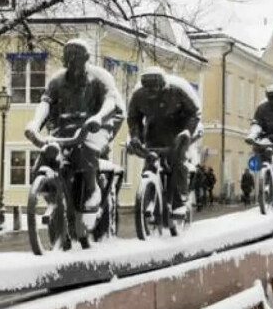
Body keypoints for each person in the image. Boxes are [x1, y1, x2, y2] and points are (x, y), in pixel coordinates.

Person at [24, 38, 124, 212]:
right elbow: (45, 103)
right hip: (64, 130)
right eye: (69, 59)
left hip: (94, 127)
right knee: (48, 151)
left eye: (77, 59)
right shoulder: (57, 81)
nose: (73, 64)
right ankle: (47, 188)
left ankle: (92, 190)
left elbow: (110, 102)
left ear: (86, 59)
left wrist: (98, 118)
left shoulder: (100, 78)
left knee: (86, 148)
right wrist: (35, 123)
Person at [125, 67, 200, 216]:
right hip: (153, 134)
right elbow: (133, 117)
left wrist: (186, 132)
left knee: (177, 161)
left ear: (163, 85)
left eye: (155, 88)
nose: (152, 92)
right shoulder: (139, 96)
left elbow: (194, 113)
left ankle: (179, 202)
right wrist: (135, 136)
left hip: (178, 133)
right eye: (148, 89)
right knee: (150, 163)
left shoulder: (177, 92)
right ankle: (149, 197)